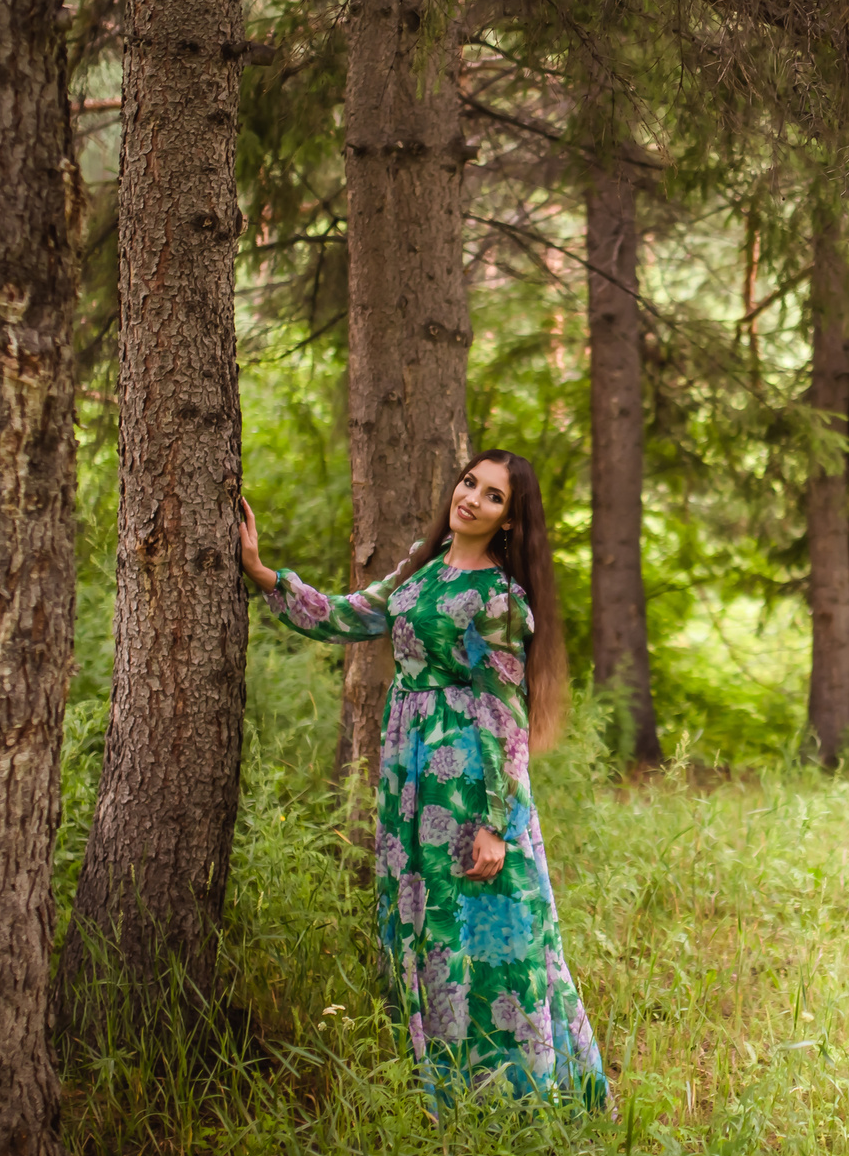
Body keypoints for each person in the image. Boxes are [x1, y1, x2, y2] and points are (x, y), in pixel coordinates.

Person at [237, 450, 611, 1111]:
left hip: (466, 780)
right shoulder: (423, 562)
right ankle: (435, 1074)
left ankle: (514, 1096)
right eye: (470, 482)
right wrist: (267, 575)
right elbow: (354, 614)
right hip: (409, 774)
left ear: (508, 521)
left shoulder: (499, 599)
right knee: (424, 916)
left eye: (492, 496)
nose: (471, 497)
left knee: (483, 923)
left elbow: (507, 720)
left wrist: (497, 826)